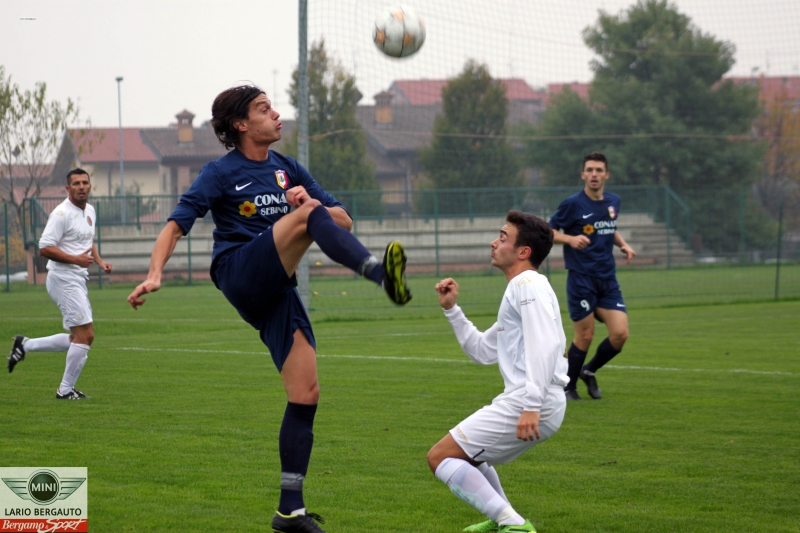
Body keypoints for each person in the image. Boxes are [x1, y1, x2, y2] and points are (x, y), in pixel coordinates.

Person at [126, 85, 410, 533]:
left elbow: (344, 221)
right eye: (264, 109)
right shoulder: (219, 172)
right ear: (240, 125)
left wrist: (305, 202)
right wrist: (155, 272)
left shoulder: (287, 168)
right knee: (305, 214)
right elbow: (175, 226)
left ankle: (289, 511)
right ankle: (379, 274)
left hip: (276, 286)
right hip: (238, 270)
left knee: (306, 392)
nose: (277, 115)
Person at [428, 211, 568, 533]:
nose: (494, 242)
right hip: (535, 398)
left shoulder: (527, 282)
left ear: (523, 252)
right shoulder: (520, 287)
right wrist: (453, 310)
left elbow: (545, 345)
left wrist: (532, 404)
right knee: (472, 457)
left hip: (534, 399)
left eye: (503, 237)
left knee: (440, 457)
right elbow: (482, 350)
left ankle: (513, 524)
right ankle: (501, 519)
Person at [8, 168, 113, 400]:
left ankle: (24, 345)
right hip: (63, 280)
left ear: (90, 186)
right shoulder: (61, 213)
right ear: (68, 188)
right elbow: (45, 248)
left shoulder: (90, 211)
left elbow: (87, 240)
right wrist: (76, 260)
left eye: (85, 182)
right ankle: (65, 390)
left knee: (77, 337)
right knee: (87, 335)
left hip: (77, 279)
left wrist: (99, 261)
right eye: (76, 183)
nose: (81, 187)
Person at [548, 152, 635, 401]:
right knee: (584, 336)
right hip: (581, 278)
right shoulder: (572, 204)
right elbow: (549, 231)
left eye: (598, 170)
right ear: (583, 175)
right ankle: (568, 386)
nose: (594, 174)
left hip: (607, 279)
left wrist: (623, 245)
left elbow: (609, 228)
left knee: (620, 334)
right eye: (589, 170)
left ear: (606, 175)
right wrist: (570, 238)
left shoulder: (613, 201)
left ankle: (589, 370)